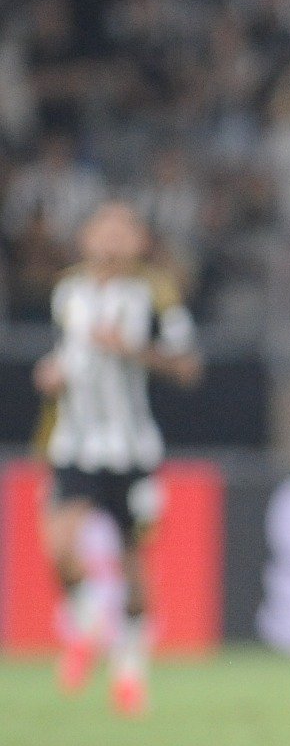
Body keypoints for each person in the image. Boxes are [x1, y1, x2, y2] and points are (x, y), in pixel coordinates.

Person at [32, 201, 201, 717]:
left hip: (131, 449)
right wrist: (52, 373)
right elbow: (68, 354)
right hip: (75, 444)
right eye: (102, 228)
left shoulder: (155, 293)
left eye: (122, 230)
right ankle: (87, 626)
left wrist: (131, 348)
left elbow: (187, 366)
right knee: (59, 546)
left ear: (139, 242)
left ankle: (129, 672)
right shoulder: (67, 291)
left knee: (132, 564)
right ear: (85, 237)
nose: (110, 239)